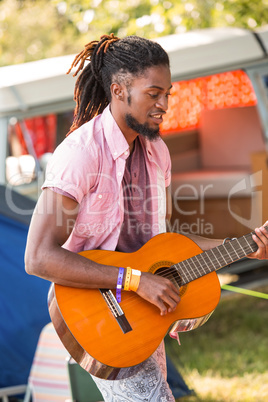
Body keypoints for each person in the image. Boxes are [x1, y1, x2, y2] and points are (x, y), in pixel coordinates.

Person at [25, 34, 268, 401]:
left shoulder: (157, 152)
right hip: (99, 314)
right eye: (154, 94)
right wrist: (136, 280)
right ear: (119, 89)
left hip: (142, 313)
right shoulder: (80, 154)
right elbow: (38, 256)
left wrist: (242, 247)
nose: (165, 105)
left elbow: (162, 243)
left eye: (168, 93)